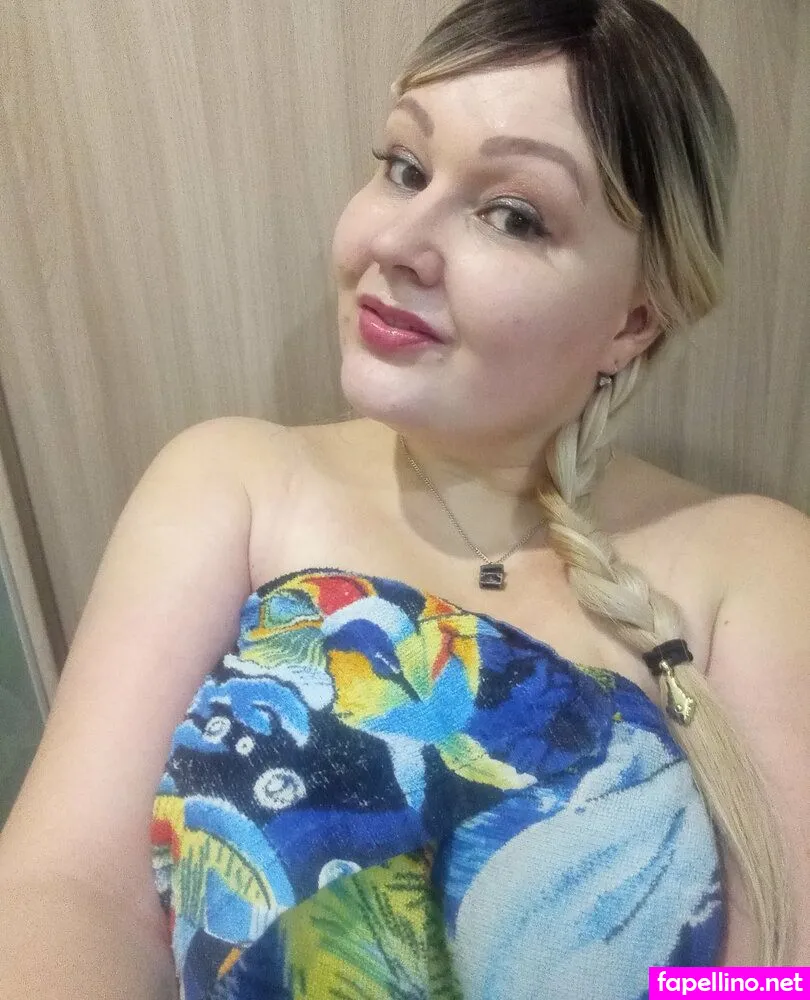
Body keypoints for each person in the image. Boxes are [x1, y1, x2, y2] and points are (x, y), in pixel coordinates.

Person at [1, 0, 808, 995]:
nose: (401, 240)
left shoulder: (754, 561)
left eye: (512, 214)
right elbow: (67, 887)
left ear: (633, 321)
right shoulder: (233, 483)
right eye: (405, 168)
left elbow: (782, 974)